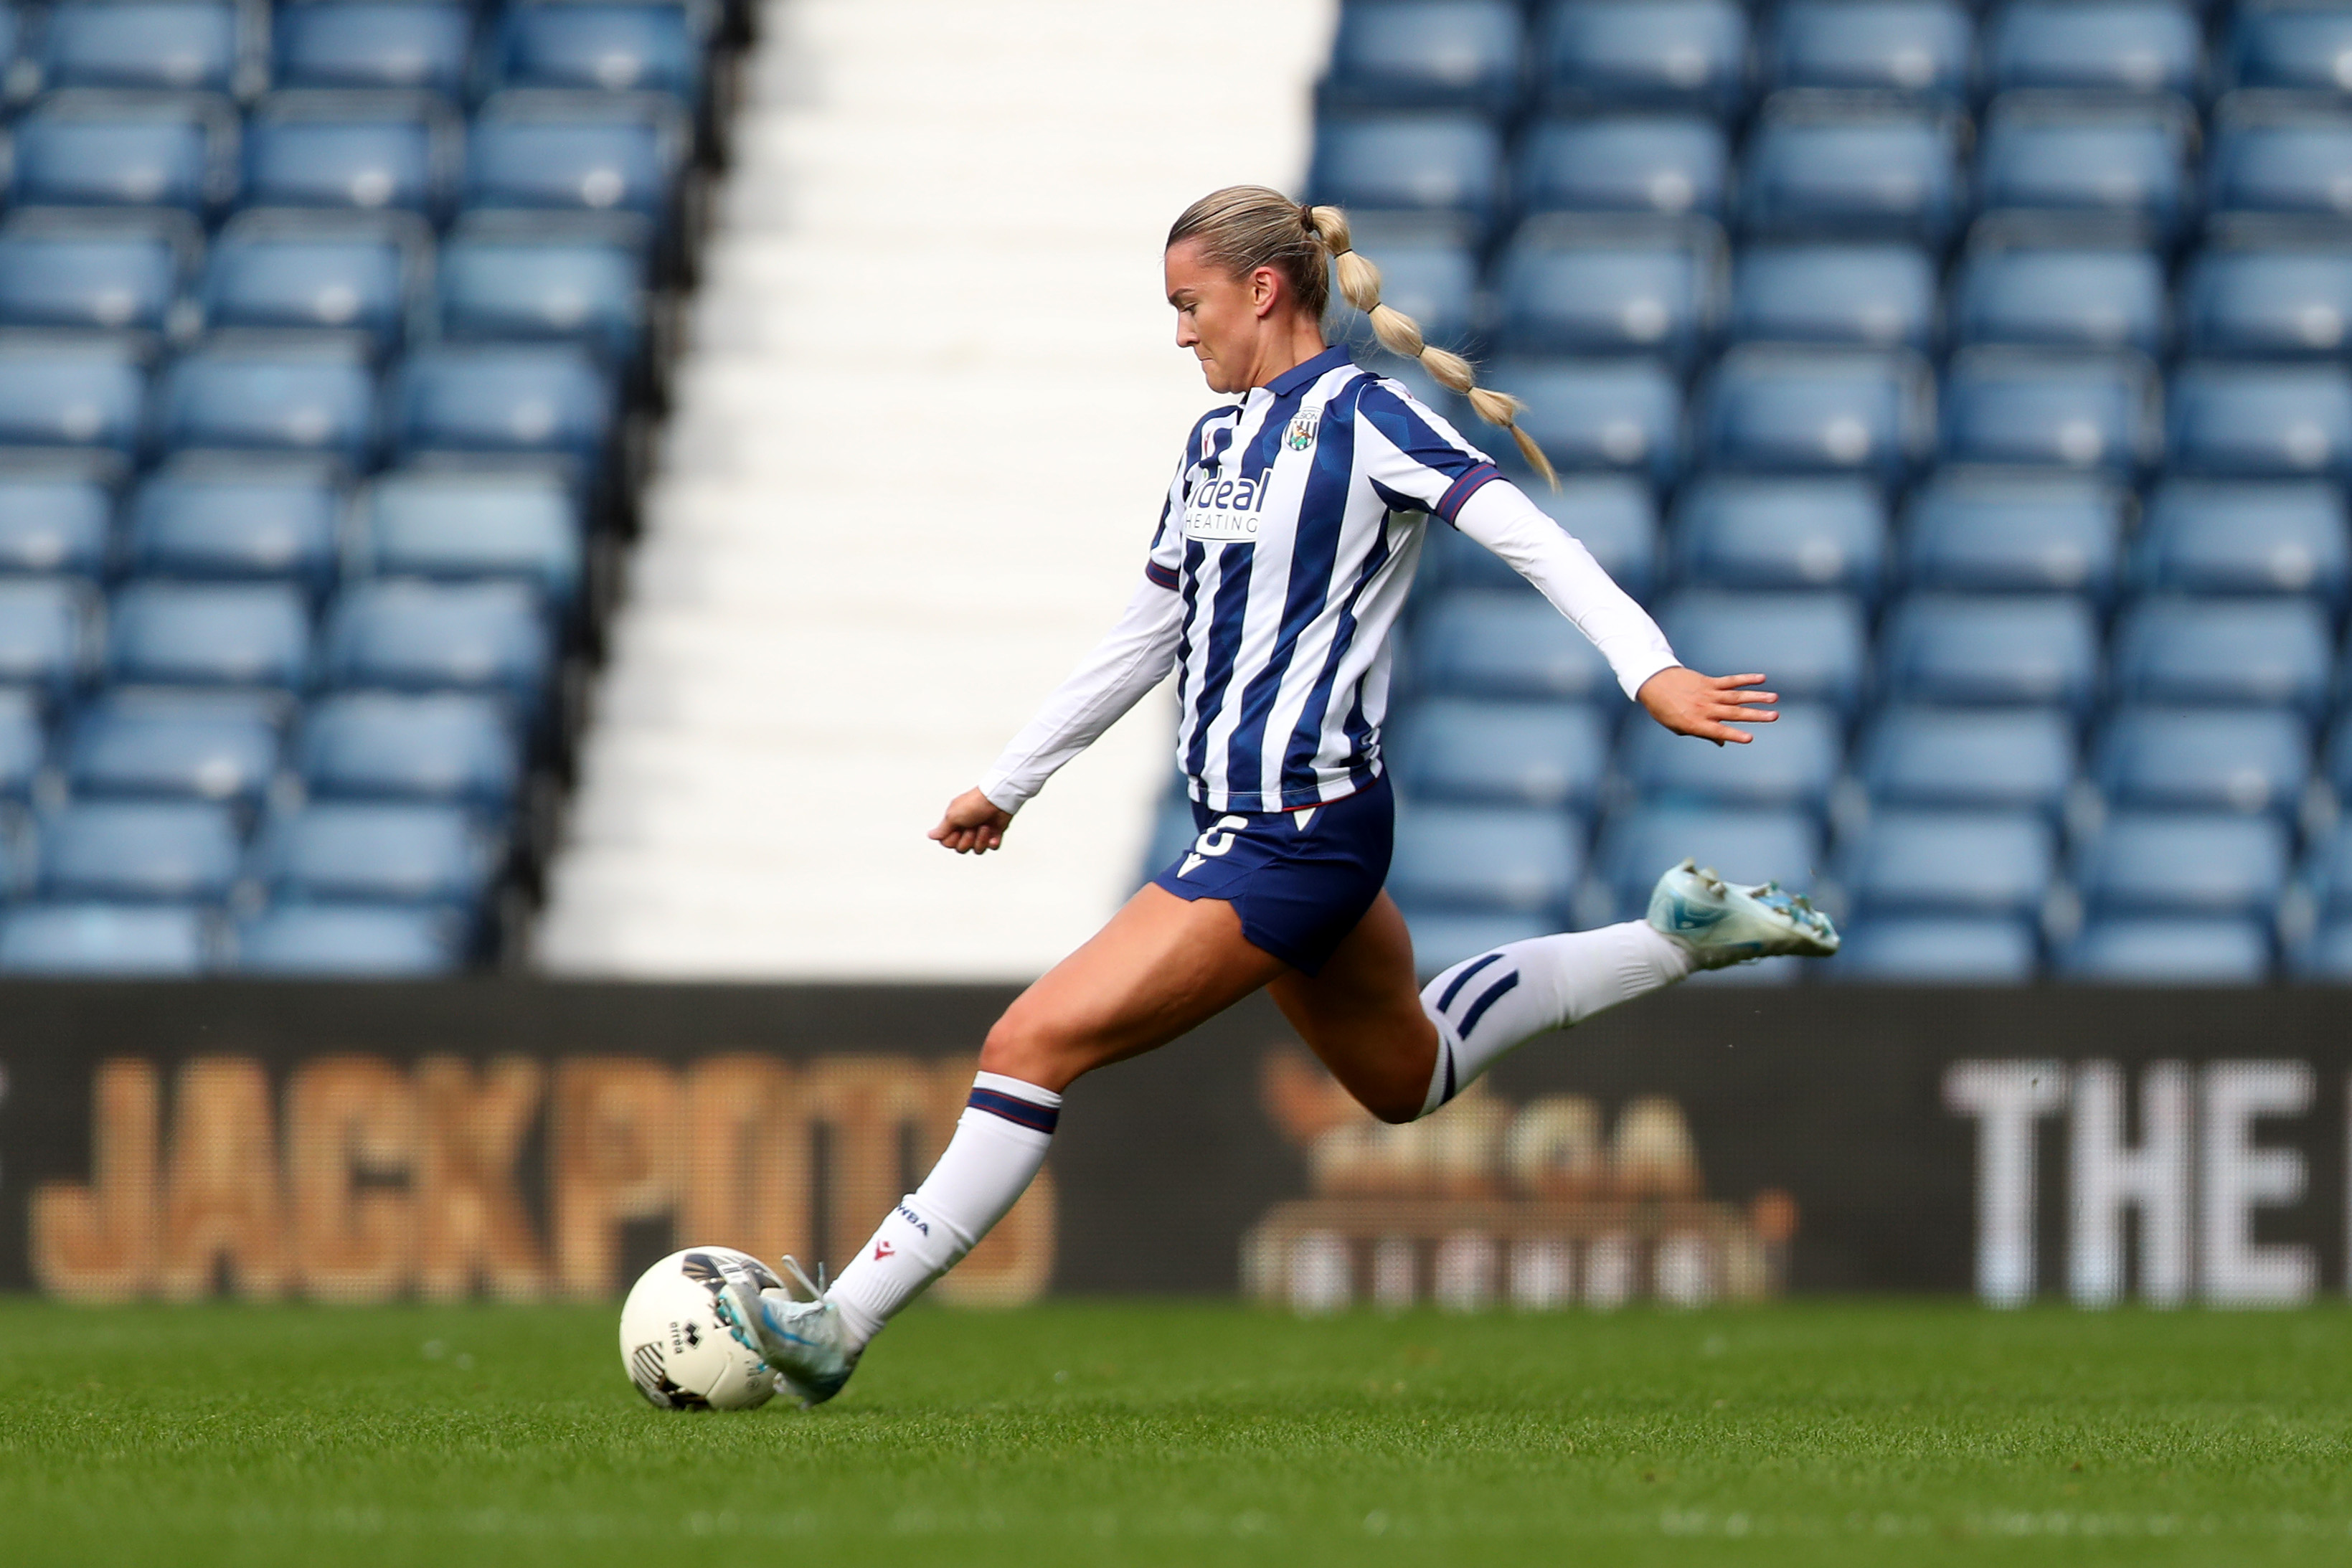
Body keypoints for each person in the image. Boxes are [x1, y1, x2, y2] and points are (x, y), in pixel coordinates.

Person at [719, 186, 1838, 1404]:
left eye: (1188, 305)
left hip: (1295, 834)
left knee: (1029, 1042)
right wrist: (1012, 780)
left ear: (1263, 291)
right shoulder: (1211, 444)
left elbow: (1529, 534)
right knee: (1406, 1076)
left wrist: (1649, 668)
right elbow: (1152, 628)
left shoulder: (1370, 418)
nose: (1180, 333)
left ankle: (840, 1325)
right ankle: (1669, 938)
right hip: (1269, 831)